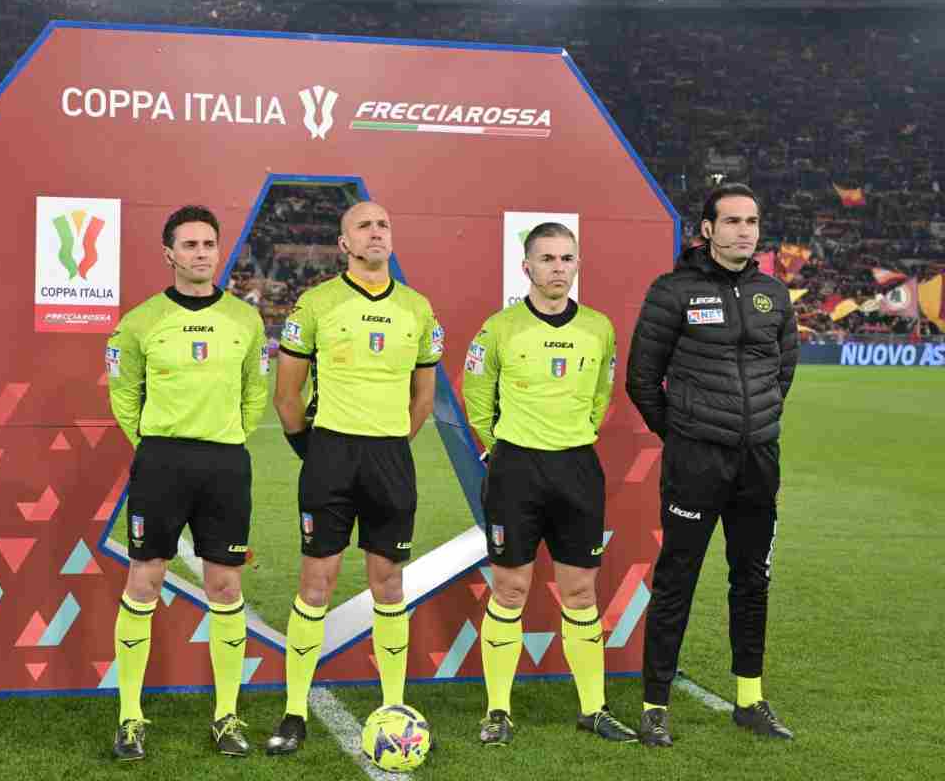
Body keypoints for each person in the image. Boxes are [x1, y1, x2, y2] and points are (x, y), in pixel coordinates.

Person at [265, 201, 442, 755]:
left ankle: (393, 706)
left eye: (383, 224)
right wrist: (315, 452)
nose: (375, 232)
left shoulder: (417, 308)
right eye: (363, 226)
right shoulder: (316, 304)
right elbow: (287, 396)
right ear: (344, 243)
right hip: (331, 456)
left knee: (389, 584)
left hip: (390, 458)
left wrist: (390, 444)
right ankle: (294, 711)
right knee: (315, 584)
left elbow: (424, 398)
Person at [626, 183, 798, 747]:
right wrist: (683, 434)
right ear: (707, 229)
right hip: (696, 461)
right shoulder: (673, 291)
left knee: (752, 580)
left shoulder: (774, 294)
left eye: (752, 221)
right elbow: (641, 380)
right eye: (732, 221)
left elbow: (783, 372)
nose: (744, 231)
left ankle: (750, 700)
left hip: (758, 461)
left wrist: (756, 424)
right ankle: (655, 705)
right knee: (677, 580)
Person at [463, 222, 636, 747]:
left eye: (566, 258)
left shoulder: (599, 329)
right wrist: (499, 449)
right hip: (516, 470)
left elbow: (602, 394)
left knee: (581, 591)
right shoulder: (499, 328)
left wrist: (576, 436)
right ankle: (497, 711)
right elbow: (476, 396)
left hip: (576, 469)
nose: (558, 267)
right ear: (527, 267)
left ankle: (593, 709)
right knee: (510, 588)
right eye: (547, 258)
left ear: (577, 264)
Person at [105, 205, 269, 760]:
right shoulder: (140, 321)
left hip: (226, 463)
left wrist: (228, 435)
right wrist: (156, 441)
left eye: (209, 244)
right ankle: (130, 717)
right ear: (169, 254)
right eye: (190, 244)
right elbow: (124, 394)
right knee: (145, 579)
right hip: (161, 461)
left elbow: (255, 392)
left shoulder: (245, 320)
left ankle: (226, 716)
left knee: (225, 587)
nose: (201, 253)